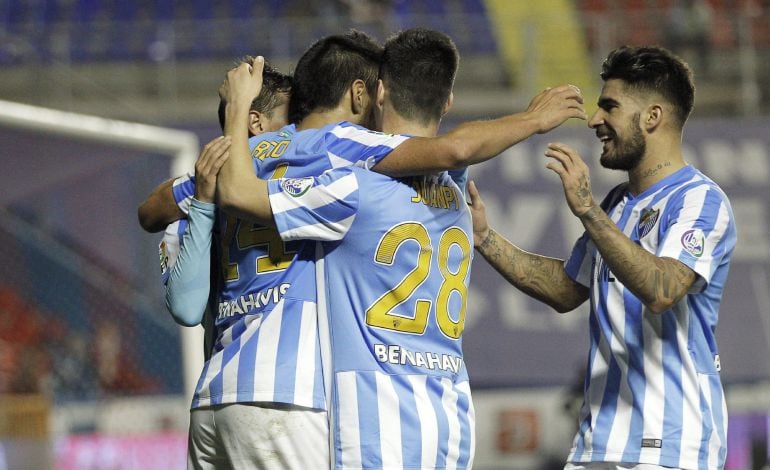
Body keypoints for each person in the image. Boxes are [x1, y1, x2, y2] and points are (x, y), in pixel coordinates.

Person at [469, 45, 736, 469]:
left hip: (669, 445)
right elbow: (566, 290)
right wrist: (484, 237)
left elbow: (662, 288)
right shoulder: (616, 204)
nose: (594, 120)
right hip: (599, 442)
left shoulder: (699, 202)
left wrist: (587, 210)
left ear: (652, 117)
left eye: (609, 107)